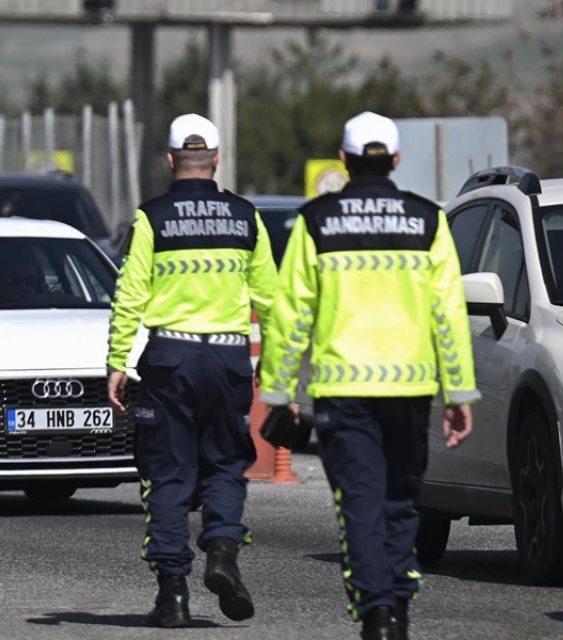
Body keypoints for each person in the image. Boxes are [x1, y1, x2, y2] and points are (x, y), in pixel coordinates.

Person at [259, 111, 477, 640]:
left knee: (359, 502)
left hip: (343, 391)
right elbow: (447, 313)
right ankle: (398, 606)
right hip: (410, 389)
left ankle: (377, 612)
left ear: (344, 160)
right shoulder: (429, 220)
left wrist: (279, 391)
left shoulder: (317, 220)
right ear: (396, 160)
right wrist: (459, 391)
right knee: (400, 501)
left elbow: (291, 314)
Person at [106, 114, 277, 628]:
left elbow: (130, 295)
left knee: (168, 474)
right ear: (217, 159)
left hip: (170, 360)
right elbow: (270, 297)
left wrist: (117, 361)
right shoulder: (245, 216)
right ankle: (223, 552)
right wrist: (276, 358)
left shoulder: (151, 217)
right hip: (227, 359)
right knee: (226, 464)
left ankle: (173, 594)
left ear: (170, 159)